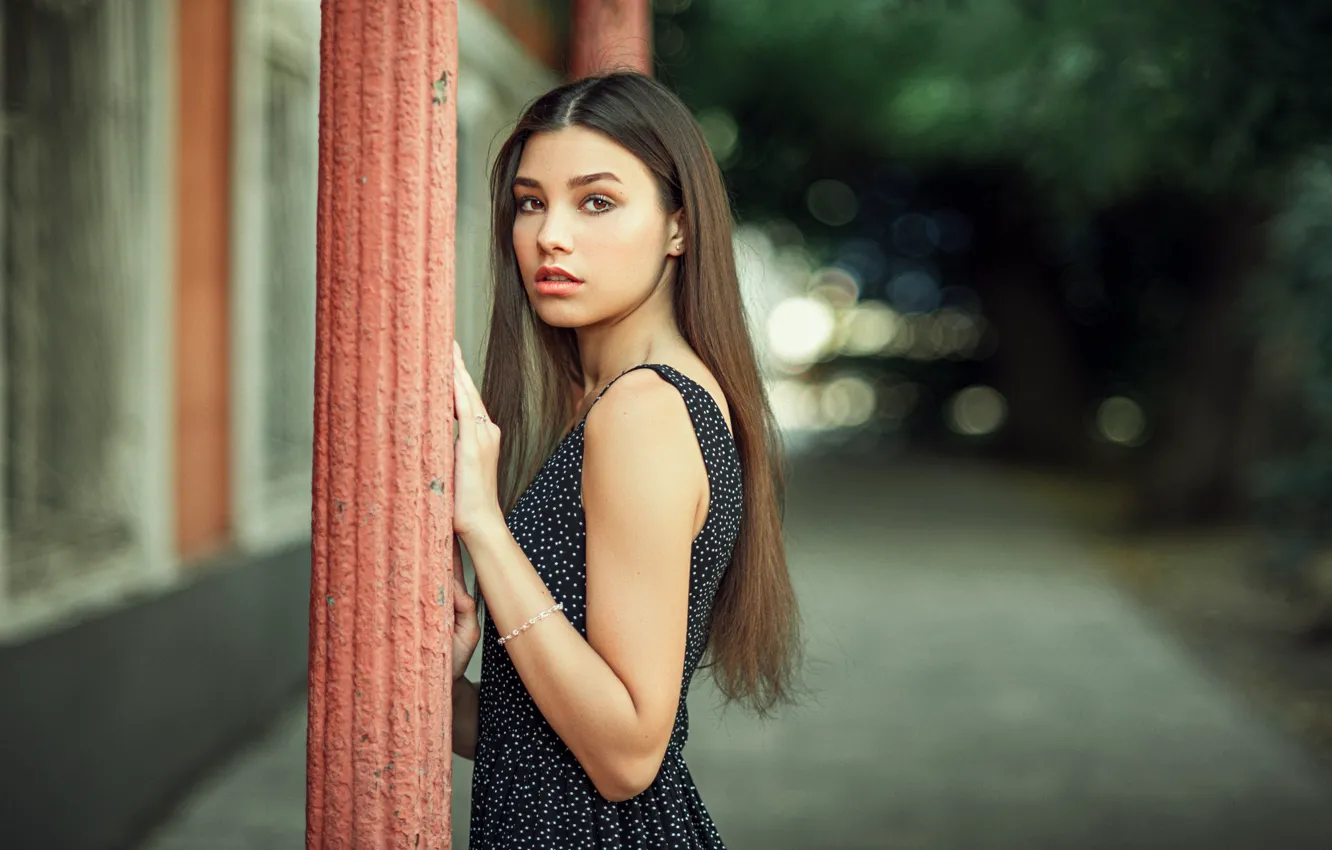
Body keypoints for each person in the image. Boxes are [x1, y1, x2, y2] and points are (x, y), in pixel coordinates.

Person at [448, 71, 800, 849]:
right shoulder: (619, 401)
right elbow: (544, 747)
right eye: (531, 202)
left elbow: (628, 756)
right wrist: (445, 688)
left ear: (679, 226)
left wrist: (485, 530)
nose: (550, 236)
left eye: (596, 201)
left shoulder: (644, 411)